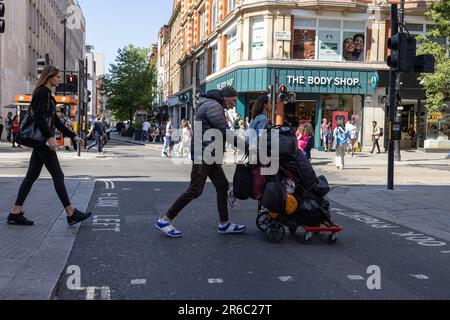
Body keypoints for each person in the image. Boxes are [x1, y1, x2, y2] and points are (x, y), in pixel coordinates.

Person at [155, 86, 246, 238]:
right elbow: (224, 132)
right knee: (194, 190)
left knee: (222, 185)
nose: (235, 104)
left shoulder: (212, 104)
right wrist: (247, 147)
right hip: (204, 154)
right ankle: (165, 220)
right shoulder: (214, 106)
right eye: (234, 100)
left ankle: (224, 223)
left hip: (208, 154)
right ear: (226, 97)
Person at [7, 66, 91, 226]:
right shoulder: (42, 93)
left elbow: (56, 121)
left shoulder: (47, 95)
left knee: (31, 176)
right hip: (43, 142)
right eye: (57, 77)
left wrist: (73, 135)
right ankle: (70, 213)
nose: (59, 80)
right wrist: (50, 137)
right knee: (58, 176)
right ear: (49, 77)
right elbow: (39, 117)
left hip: (41, 141)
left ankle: (15, 212)